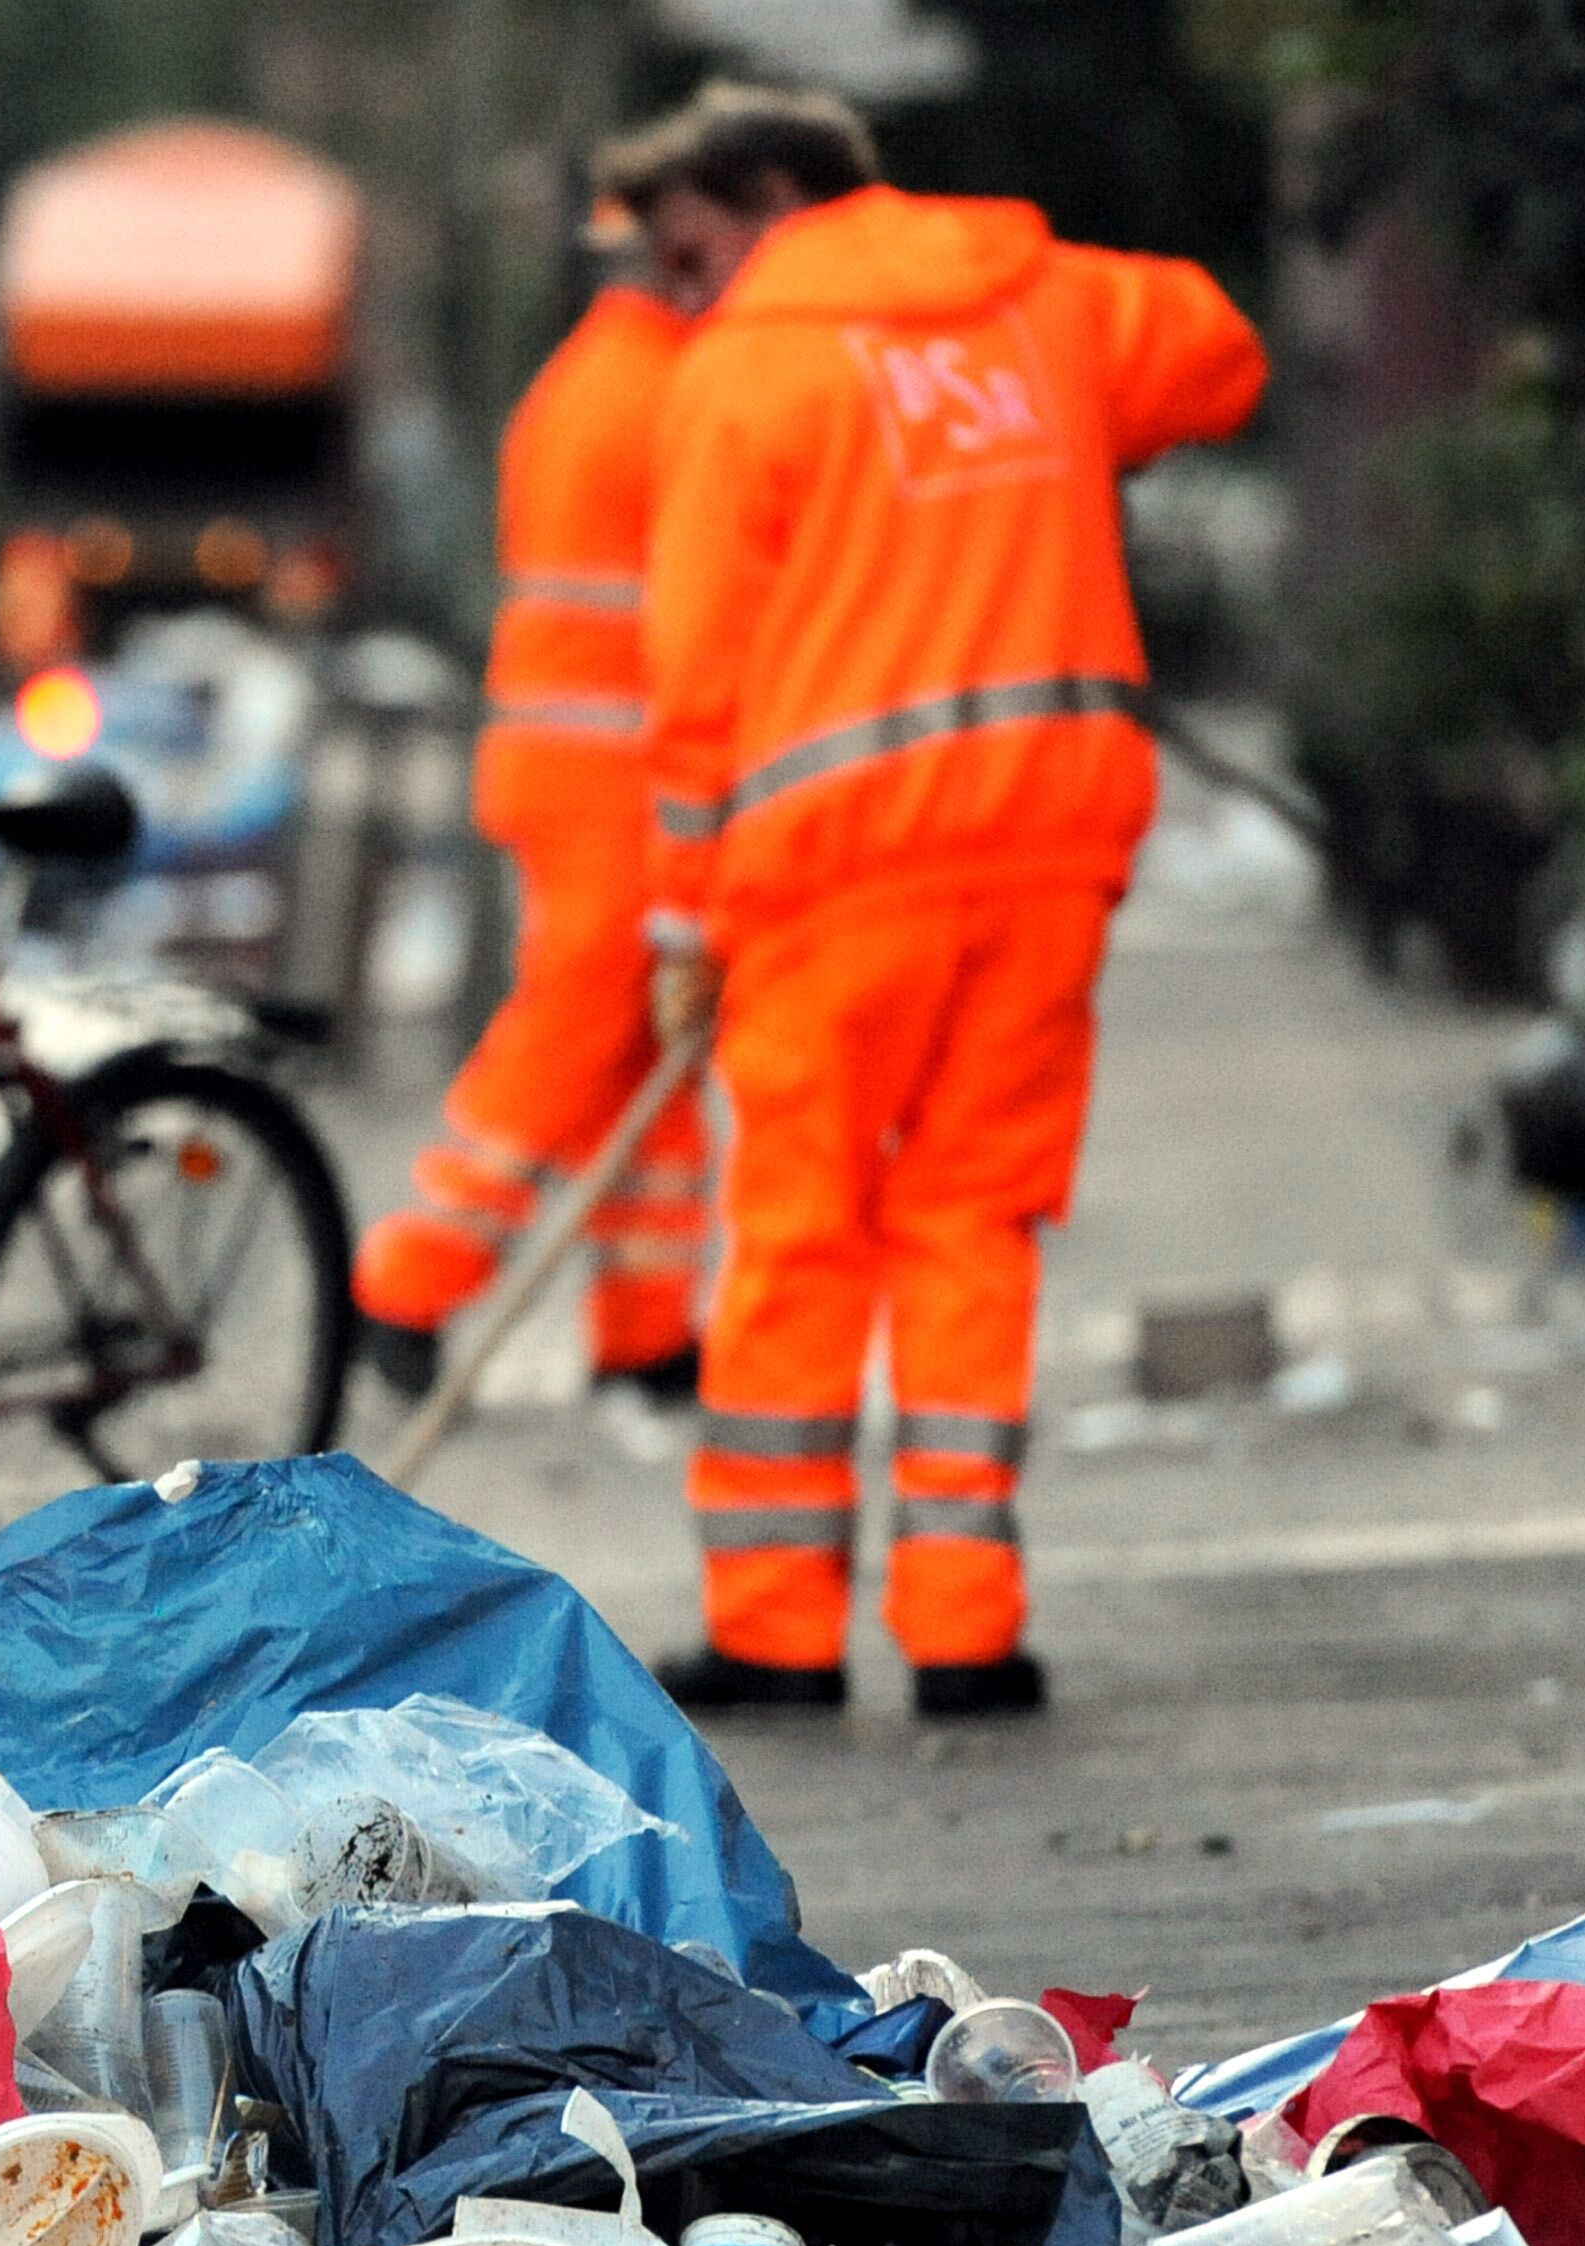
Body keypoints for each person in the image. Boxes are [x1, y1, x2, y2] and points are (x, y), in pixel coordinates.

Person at [627, 85, 1265, 1715]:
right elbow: (1215, 347)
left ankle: (773, 1624)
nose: (677, 289)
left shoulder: (742, 371)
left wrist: (681, 915)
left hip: (834, 866)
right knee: (972, 1219)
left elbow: (693, 681)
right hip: (1047, 839)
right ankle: (963, 1624)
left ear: (774, 195)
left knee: (797, 1232)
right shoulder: (1035, 298)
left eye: (690, 248)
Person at [353, 179, 711, 1406]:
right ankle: (408, 1279)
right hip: (615, 775)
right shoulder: (673, 397)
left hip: (563, 762)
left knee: (637, 1045)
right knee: (576, 1029)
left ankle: (648, 1330)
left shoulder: (581, 383)